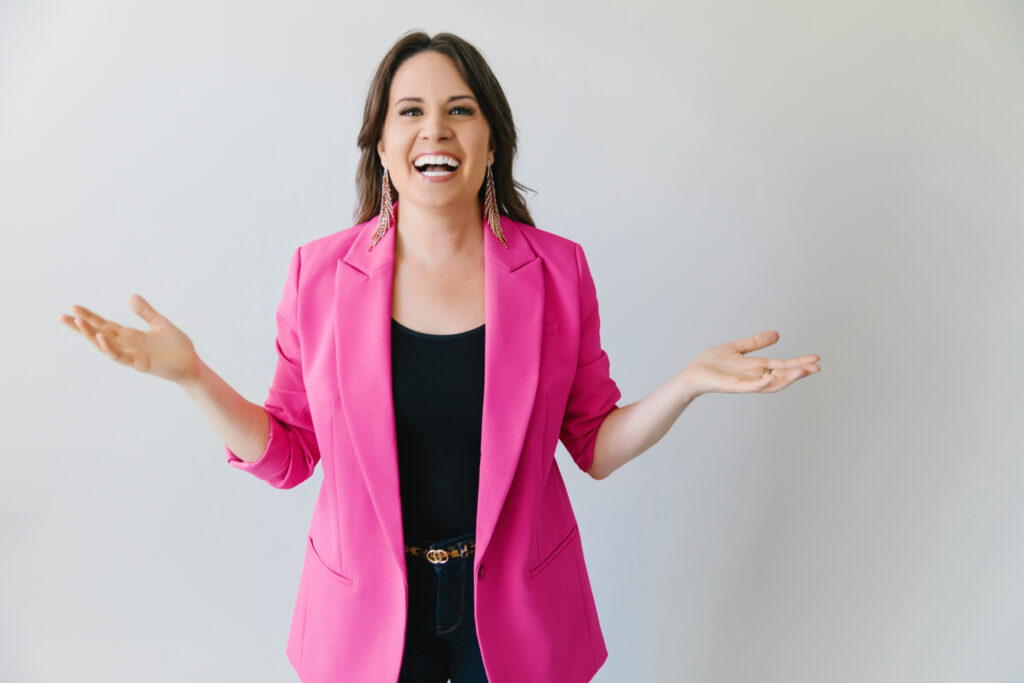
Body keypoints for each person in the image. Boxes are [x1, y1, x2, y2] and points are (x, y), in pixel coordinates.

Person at [58, 29, 821, 683]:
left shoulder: (557, 272)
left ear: (492, 141)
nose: (437, 131)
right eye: (411, 112)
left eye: (461, 111)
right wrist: (191, 375)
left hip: (517, 610)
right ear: (383, 145)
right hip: (367, 614)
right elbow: (290, 454)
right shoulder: (318, 276)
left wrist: (686, 384)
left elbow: (593, 444)